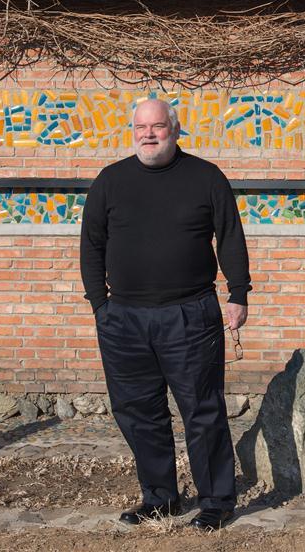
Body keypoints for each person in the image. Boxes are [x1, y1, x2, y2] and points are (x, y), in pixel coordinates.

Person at [79, 98, 250, 531]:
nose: (149, 134)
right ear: (132, 131)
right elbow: (91, 245)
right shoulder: (110, 181)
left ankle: (216, 501)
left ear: (175, 129)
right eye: (141, 127)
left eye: (158, 126)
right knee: (138, 411)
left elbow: (230, 235)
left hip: (189, 315)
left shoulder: (205, 177)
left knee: (202, 409)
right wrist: (101, 305)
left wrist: (238, 293)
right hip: (124, 318)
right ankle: (160, 497)